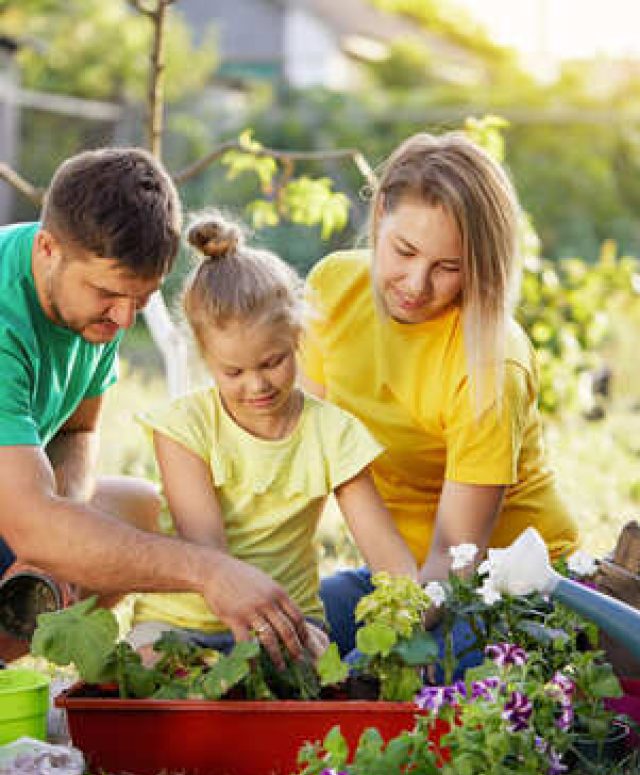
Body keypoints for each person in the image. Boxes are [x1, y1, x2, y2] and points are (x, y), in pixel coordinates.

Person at [0, 148, 310, 665]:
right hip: (14, 513)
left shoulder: (94, 309)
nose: (123, 320)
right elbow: (30, 522)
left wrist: (66, 521)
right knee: (58, 532)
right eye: (107, 294)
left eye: (139, 301)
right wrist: (210, 571)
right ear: (48, 248)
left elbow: (78, 432)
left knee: (140, 508)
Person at [300, 131, 579, 657]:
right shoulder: (333, 288)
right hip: (399, 578)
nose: (416, 283)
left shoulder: (490, 362)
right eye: (404, 250)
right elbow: (304, 460)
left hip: (504, 592)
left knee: (367, 678)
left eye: (448, 268)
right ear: (381, 211)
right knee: (289, 627)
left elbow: (457, 556)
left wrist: (377, 653)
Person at [128, 213, 418, 663]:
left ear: (298, 337)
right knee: (149, 669)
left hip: (287, 618)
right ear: (206, 357)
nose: (257, 386)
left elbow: (389, 558)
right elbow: (211, 557)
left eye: (273, 362)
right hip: (181, 621)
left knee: (302, 675)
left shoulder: (333, 433)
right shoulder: (185, 427)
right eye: (234, 372)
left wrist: (415, 614)